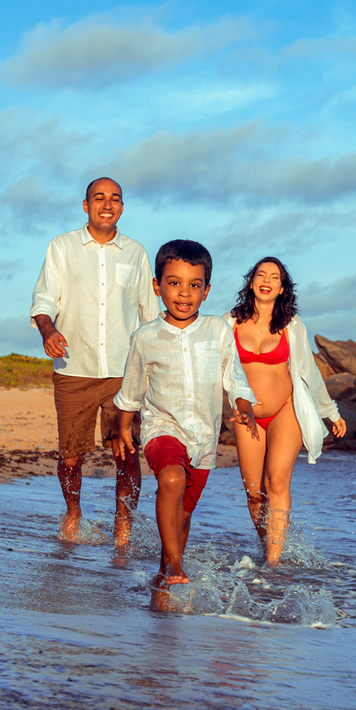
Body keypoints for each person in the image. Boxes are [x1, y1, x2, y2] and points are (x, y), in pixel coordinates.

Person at [114, 240, 257, 591]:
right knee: (172, 479)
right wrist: (122, 432)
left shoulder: (217, 331)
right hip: (162, 428)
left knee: (185, 514)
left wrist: (244, 408)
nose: (183, 293)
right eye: (174, 282)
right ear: (157, 286)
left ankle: (165, 571)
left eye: (194, 285)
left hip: (204, 439)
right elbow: (131, 392)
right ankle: (176, 561)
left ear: (206, 291)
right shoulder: (145, 338)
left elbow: (234, 378)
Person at [30, 177, 160, 546]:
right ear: (85, 206)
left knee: (126, 453)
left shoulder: (135, 252)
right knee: (71, 457)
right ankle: (73, 512)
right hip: (74, 369)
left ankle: (124, 524)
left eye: (115, 198)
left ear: (122, 207)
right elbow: (43, 300)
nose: (107, 204)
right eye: (99, 198)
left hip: (124, 372)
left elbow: (149, 316)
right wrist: (47, 331)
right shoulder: (62, 247)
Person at [223, 257, 346, 565]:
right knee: (254, 492)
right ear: (251, 283)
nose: (266, 280)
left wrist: (330, 411)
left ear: (281, 289)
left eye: (274, 277)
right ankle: (269, 547)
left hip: (285, 410)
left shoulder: (291, 326)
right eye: (260, 275)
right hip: (247, 415)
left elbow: (308, 371)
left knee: (276, 481)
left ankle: (274, 564)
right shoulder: (228, 323)